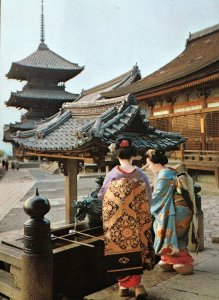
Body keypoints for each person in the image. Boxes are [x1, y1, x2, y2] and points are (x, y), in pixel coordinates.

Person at [98, 137, 155, 299]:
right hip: (137, 222)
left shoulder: (112, 174)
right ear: (133, 155)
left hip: (117, 222)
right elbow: (148, 196)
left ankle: (123, 285)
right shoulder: (140, 174)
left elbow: (103, 195)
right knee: (138, 247)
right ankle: (137, 285)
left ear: (116, 155)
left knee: (119, 249)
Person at [145, 149, 194, 275]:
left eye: (149, 164)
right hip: (182, 208)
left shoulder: (164, 174)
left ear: (155, 163)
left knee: (171, 235)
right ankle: (171, 260)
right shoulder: (169, 171)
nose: (149, 168)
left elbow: (156, 197)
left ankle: (183, 262)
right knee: (178, 238)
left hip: (176, 211)